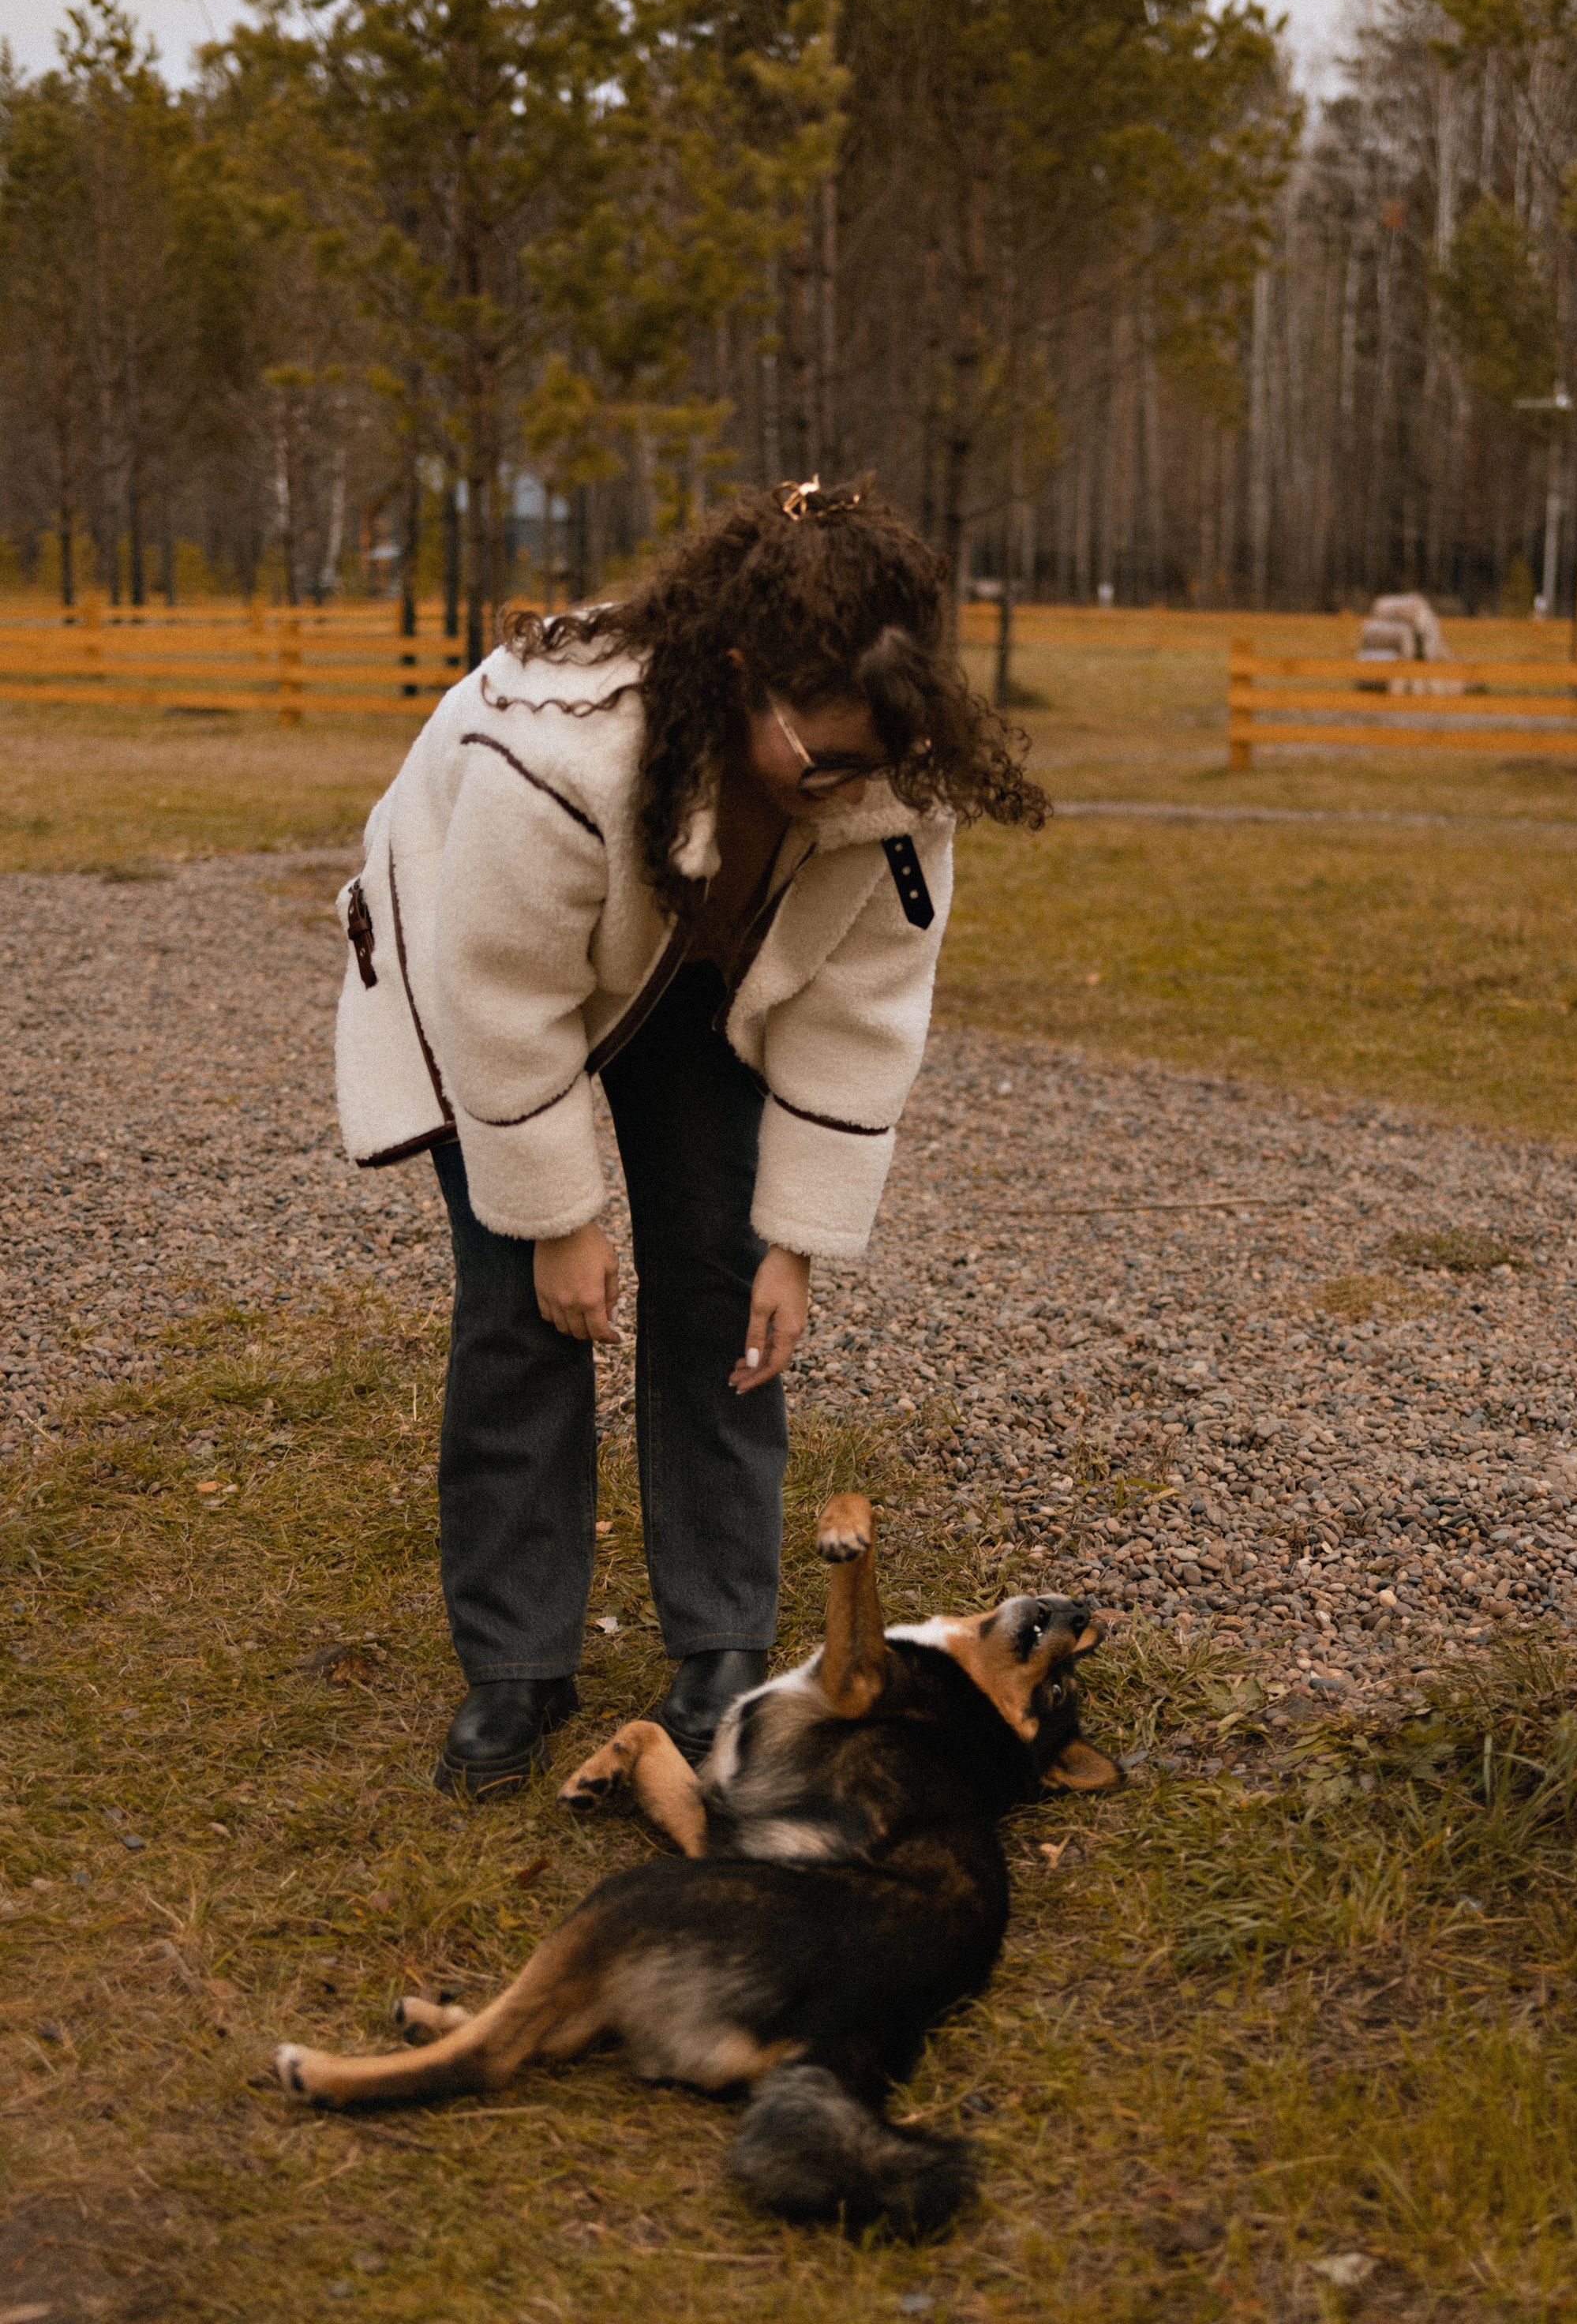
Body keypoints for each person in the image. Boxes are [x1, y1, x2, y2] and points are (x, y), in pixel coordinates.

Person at [333, 479, 1045, 1797]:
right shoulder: (558, 755)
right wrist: (558, 1218)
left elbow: (860, 1009)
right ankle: (518, 1664)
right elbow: (499, 997)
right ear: (736, 679)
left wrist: (799, 1245)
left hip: (704, 982)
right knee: (521, 1308)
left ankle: (718, 1646)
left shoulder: (890, 778)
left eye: (874, 765)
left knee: (727, 1300)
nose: (852, 792)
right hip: (484, 953)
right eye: (822, 761)